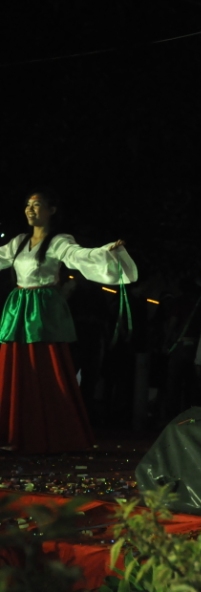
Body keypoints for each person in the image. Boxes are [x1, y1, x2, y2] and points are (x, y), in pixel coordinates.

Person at [0, 191, 138, 454]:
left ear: (51, 210)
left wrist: (104, 251)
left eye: (37, 205)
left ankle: (48, 430)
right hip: (19, 305)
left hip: (44, 306)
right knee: (17, 363)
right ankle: (13, 430)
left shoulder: (59, 241)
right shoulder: (18, 242)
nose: (30, 209)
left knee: (45, 364)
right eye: (28, 205)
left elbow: (79, 256)